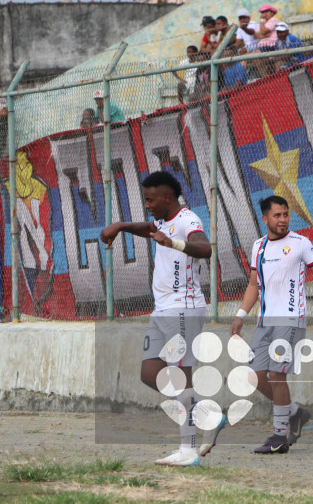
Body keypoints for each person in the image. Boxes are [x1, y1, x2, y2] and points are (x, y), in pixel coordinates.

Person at [99, 171, 225, 467]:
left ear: (167, 198)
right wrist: (120, 226)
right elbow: (149, 227)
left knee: (182, 377)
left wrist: (173, 244)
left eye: (150, 199)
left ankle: (189, 450)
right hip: (163, 308)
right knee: (149, 372)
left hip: (183, 308)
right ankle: (207, 416)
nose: (147, 204)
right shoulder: (164, 220)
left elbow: (205, 248)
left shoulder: (187, 220)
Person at [230, 195, 313, 454]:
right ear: (265, 218)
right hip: (263, 321)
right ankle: (295, 413)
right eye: (277, 215)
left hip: (291, 319)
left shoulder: (300, 243)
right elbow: (253, 285)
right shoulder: (258, 246)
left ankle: (279, 437)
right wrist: (240, 315)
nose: (282, 220)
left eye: (285, 214)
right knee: (255, 377)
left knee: (276, 375)